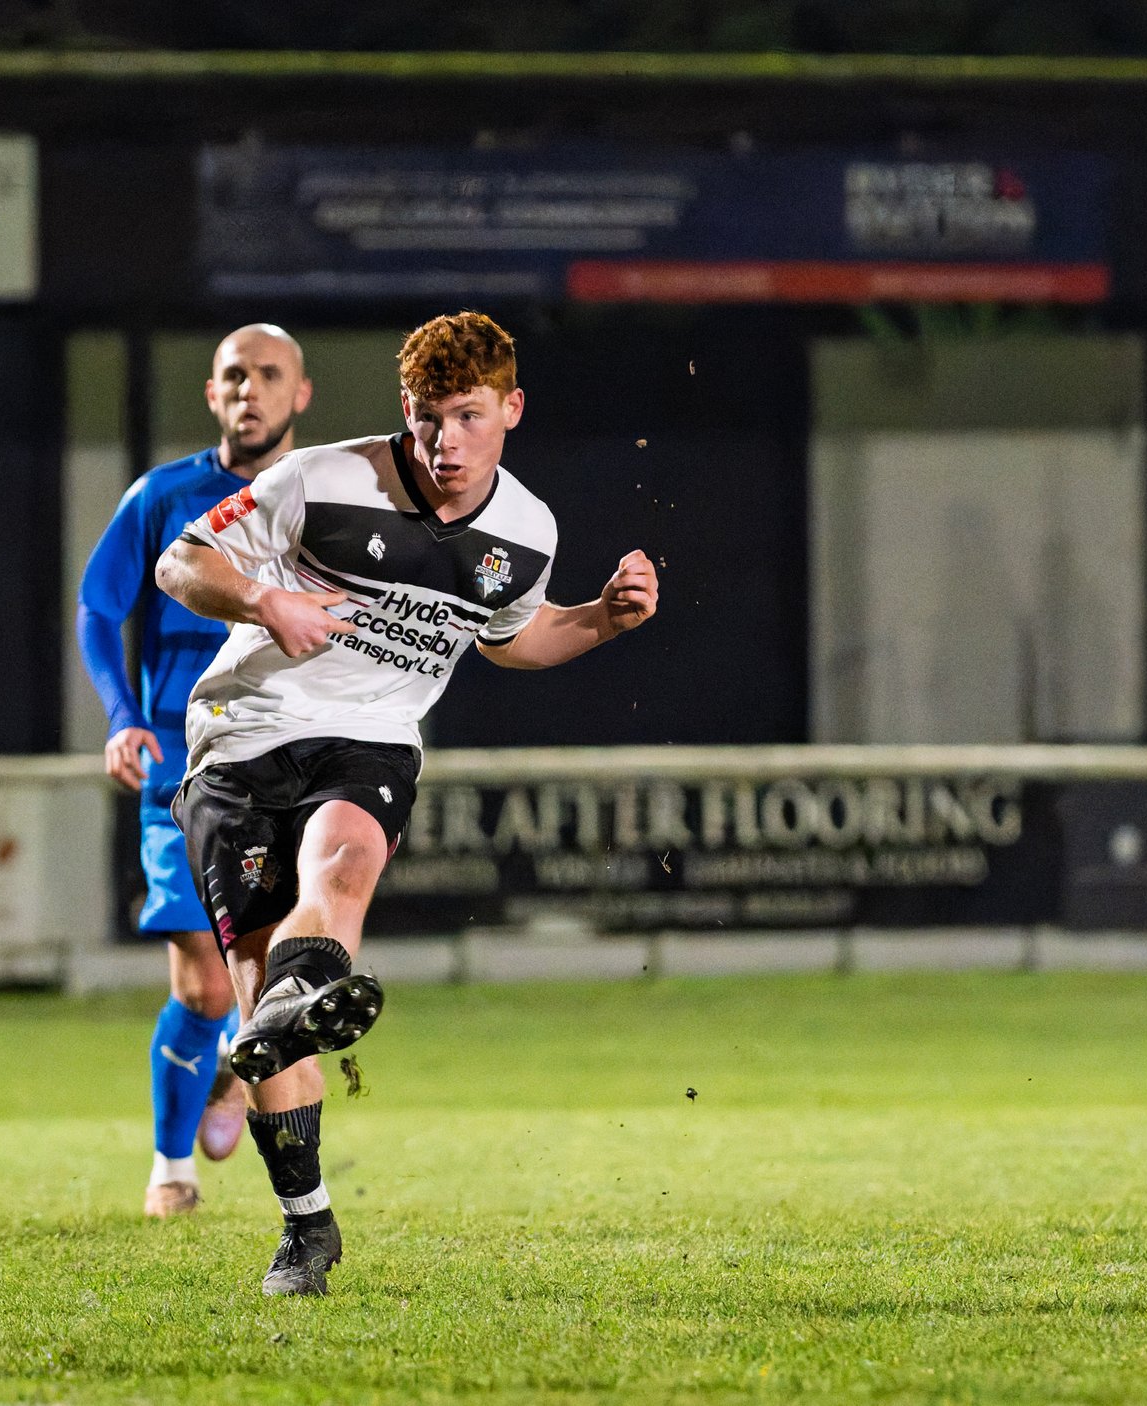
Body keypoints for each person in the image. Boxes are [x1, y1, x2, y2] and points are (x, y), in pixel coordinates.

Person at [156, 311, 659, 1295]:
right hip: (240, 735)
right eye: (429, 419)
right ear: (406, 410)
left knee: (342, 865)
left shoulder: (527, 530)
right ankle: (308, 1221)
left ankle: (299, 1002)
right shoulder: (322, 482)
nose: (446, 444)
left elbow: (510, 636)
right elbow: (182, 561)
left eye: (469, 417)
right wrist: (268, 602)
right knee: (262, 1005)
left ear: (509, 408)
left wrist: (600, 618)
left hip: (370, 736)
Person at [78, 326, 315, 1218]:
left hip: (290, 757)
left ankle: (227, 1066)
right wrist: (122, 715)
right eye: (232, 376)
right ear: (213, 396)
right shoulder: (165, 496)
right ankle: (170, 1168)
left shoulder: (318, 497)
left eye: (267, 375)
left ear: (301, 395)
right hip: (182, 765)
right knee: (208, 981)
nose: (248, 389)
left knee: (274, 968)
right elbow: (101, 604)